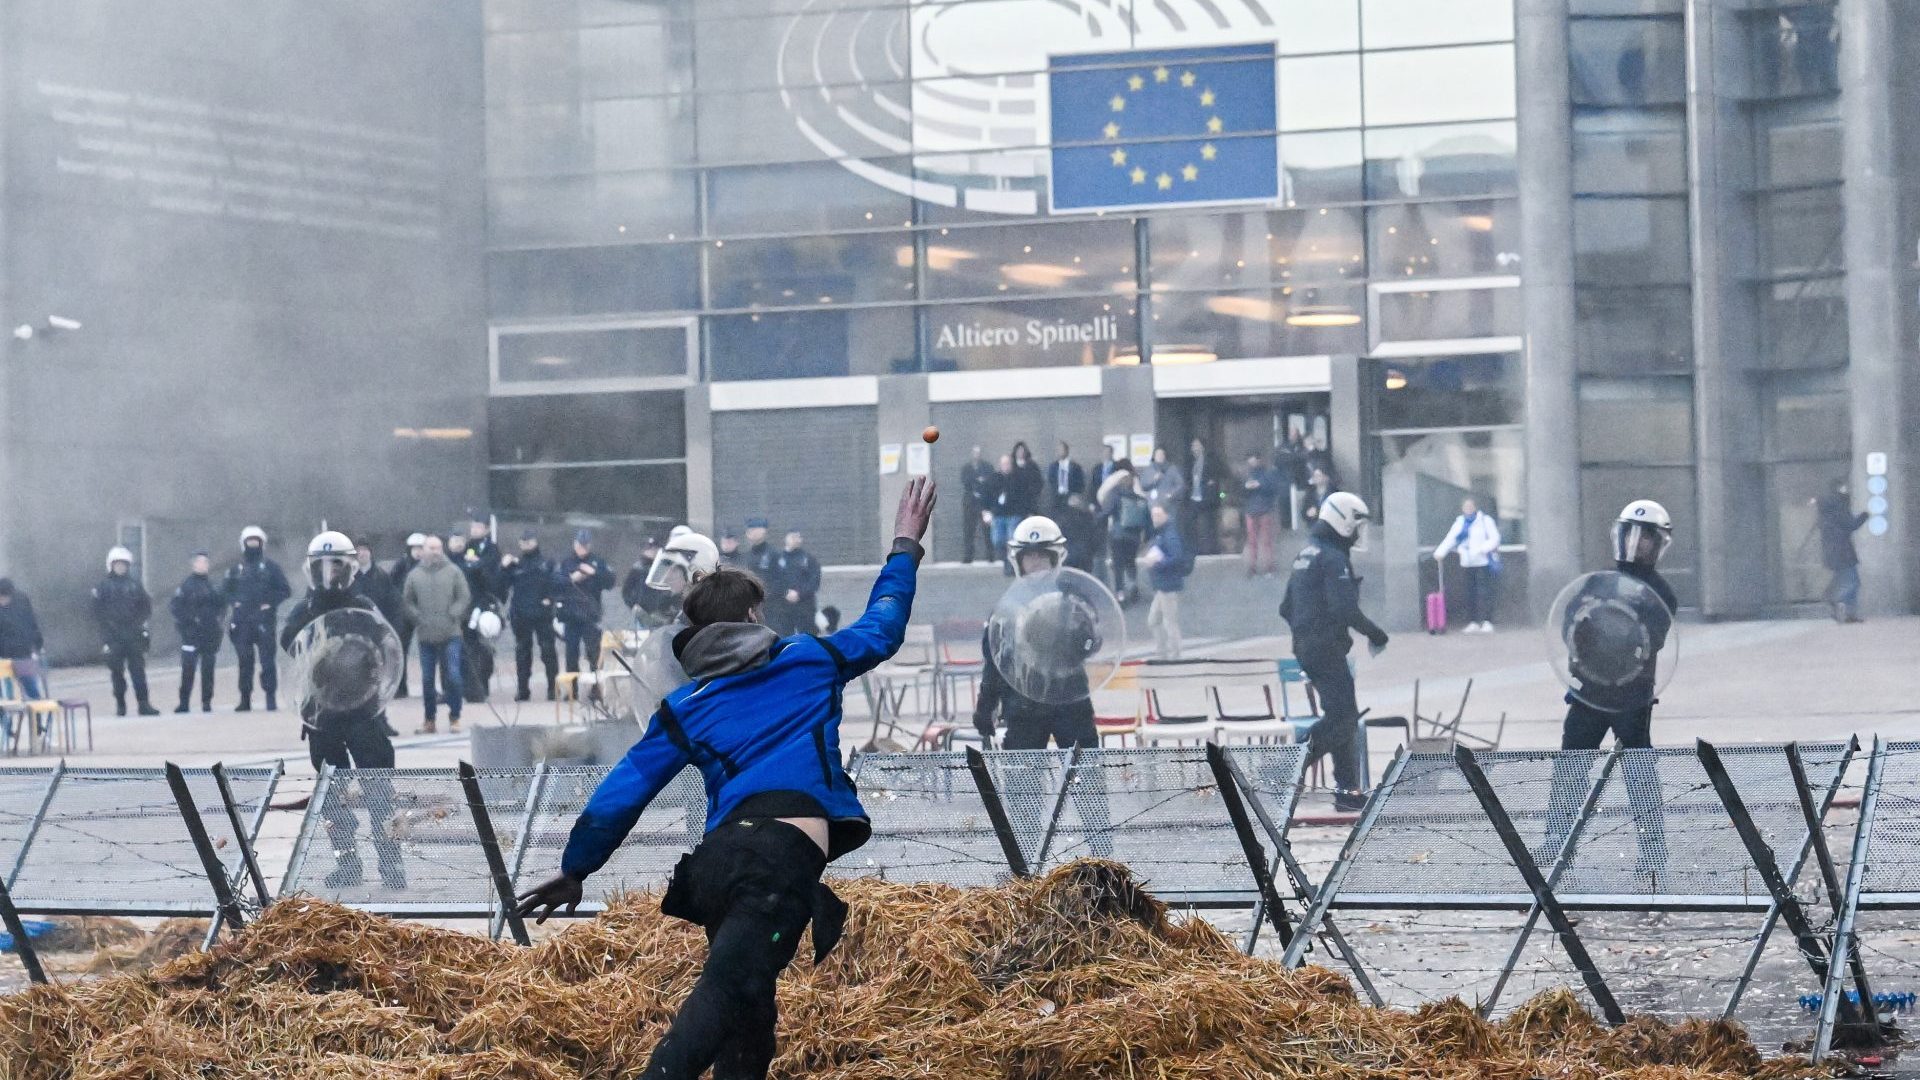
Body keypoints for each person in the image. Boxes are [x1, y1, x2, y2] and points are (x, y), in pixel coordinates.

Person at [516, 478, 939, 1080]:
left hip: (717, 864)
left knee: (749, 1020)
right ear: (750, 616)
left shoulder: (685, 707)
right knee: (723, 996)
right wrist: (905, 544)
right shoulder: (810, 659)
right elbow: (884, 625)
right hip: (778, 860)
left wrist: (576, 866)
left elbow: (623, 792)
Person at [1542, 500, 1678, 872]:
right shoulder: (1597, 581)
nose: (1637, 544)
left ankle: (1652, 852)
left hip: (1631, 698)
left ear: (1658, 543)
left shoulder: (1661, 594)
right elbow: (1572, 625)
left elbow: (1652, 639)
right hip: (1588, 692)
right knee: (1570, 770)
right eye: (1630, 535)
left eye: (1645, 538)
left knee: (1639, 775)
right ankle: (1556, 845)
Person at [972, 515, 1113, 857]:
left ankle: (1105, 862)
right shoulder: (1004, 608)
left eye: (1042, 556)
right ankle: (1024, 870)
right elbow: (995, 662)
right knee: (1022, 793)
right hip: (1022, 707)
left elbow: (1093, 642)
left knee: (1088, 785)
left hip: (1071, 704)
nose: (1035, 563)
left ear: (1056, 558)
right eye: (1029, 556)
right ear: (1018, 560)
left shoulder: (1075, 599)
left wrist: (1074, 630)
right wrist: (985, 706)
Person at [280, 530, 405, 890]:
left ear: (350, 568)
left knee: (380, 792)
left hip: (364, 714)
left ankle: (391, 864)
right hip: (323, 717)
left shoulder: (364, 607)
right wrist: (311, 615)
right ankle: (347, 861)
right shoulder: (304, 609)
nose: (329, 574)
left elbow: (387, 642)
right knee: (332, 795)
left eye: (336, 566)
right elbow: (288, 643)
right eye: (321, 567)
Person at [1279, 492, 1389, 812]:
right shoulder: (1331, 558)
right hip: (1325, 649)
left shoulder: (1307, 554)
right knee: (1342, 721)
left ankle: (1348, 792)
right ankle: (1286, 770)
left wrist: (1304, 634)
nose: (1357, 534)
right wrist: (1376, 634)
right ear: (1342, 521)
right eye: (1356, 525)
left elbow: (1286, 607)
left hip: (1310, 648)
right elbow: (1345, 609)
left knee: (1342, 716)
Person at [402, 535, 471, 734]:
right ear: (423, 550)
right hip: (426, 637)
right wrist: (418, 617)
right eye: (431, 547)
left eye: (438, 547)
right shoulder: (415, 575)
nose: (435, 551)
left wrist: (454, 614)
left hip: (451, 634)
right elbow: (407, 601)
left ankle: (455, 716)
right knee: (427, 680)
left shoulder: (454, 572)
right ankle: (429, 719)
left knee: (454, 676)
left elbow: (464, 596)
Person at [223, 526, 291, 713]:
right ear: (243, 544)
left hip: (264, 622)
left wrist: (270, 602)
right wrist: (234, 602)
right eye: (249, 541)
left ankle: (270, 697)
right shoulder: (236, 569)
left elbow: (285, 590)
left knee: (267, 661)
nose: (253, 544)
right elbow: (225, 591)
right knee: (245, 661)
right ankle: (245, 698)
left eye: (256, 541)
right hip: (242, 622)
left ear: (262, 543)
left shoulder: (271, 568)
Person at [92, 547, 160, 717]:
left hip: (133, 635)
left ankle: (144, 704)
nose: (121, 567)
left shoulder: (135, 585)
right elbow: (97, 612)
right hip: (114, 636)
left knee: (138, 670)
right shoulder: (103, 587)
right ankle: (120, 704)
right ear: (111, 565)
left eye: (124, 564)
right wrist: (107, 633)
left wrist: (138, 624)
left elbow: (146, 606)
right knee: (117, 672)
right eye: (118, 564)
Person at [501, 529, 560, 702]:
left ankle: (552, 688)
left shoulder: (546, 563)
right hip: (521, 615)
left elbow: (556, 583)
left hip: (542, 615)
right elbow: (501, 584)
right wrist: (503, 567)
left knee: (548, 652)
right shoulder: (515, 565)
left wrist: (551, 599)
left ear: (535, 541)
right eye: (523, 542)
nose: (527, 544)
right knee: (522, 654)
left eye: (530, 541)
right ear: (520, 544)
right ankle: (523, 689)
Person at [1433, 497, 1503, 633]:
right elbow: (1451, 538)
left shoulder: (1485, 521)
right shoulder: (1460, 522)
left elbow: (1495, 538)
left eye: (1470, 506)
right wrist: (1440, 552)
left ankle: (1487, 621)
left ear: (1475, 507)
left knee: (1485, 592)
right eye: (1466, 507)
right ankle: (1473, 621)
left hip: (1483, 562)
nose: (1468, 509)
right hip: (1467, 562)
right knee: (1470, 593)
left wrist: (1482, 549)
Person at [169, 553, 226, 713]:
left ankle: (206, 702)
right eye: (199, 562)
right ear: (193, 565)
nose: (202, 565)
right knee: (188, 670)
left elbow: (222, 606)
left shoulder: (213, 586)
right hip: (191, 636)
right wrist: (186, 626)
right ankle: (184, 702)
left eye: (205, 562)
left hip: (209, 636)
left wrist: (217, 623)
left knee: (208, 670)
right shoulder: (186, 586)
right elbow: (176, 608)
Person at [556, 528, 614, 679]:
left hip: (590, 614)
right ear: (574, 544)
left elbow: (610, 582)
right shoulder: (567, 562)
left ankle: (596, 687)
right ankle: (572, 690)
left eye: (585, 545)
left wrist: (594, 573)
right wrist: (572, 579)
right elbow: (556, 582)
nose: (582, 549)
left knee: (594, 652)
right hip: (571, 614)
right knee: (571, 654)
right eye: (579, 545)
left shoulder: (597, 561)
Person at [1813, 479, 1869, 623]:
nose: (1847, 489)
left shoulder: (1826, 510)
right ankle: (1835, 600)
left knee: (1844, 579)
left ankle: (1848, 613)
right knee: (1853, 581)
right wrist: (1865, 515)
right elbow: (1851, 525)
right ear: (1839, 489)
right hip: (1843, 551)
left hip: (1832, 552)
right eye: (1844, 487)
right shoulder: (1839, 506)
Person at [1141, 504, 1192, 659]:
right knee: (1154, 620)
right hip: (1162, 585)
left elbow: (1176, 557)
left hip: (1168, 585)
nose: (1155, 519)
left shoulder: (1169, 535)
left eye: (1158, 515)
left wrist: (1156, 563)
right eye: (1153, 515)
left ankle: (1175, 653)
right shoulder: (1162, 534)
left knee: (1169, 621)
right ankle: (1162, 651)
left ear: (1166, 516)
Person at [1097, 459, 1150, 604]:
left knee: (1118, 564)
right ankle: (1133, 585)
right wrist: (1145, 538)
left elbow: (1106, 512)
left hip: (1118, 535)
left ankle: (1120, 594)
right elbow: (1147, 519)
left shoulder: (1115, 494)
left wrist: (1095, 520)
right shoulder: (1139, 498)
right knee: (1130, 562)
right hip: (1134, 536)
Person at [763, 530, 822, 638]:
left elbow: (814, 581)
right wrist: (785, 592)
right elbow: (771, 579)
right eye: (792, 536)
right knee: (784, 638)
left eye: (798, 537)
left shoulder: (809, 559)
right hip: (782, 608)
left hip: (805, 608)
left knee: (808, 638)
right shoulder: (776, 558)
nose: (796, 539)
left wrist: (799, 594)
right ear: (785, 538)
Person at [390, 533, 426, 699]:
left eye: (421, 548)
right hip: (404, 613)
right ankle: (400, 687)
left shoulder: (429, 565)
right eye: (415, 548)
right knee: (400, 649)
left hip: (425, 612)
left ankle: (430, 687)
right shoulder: (402, 564)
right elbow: (391, 584)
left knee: (428, 649)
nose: (418, 552)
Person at [0, 581, 45, 698]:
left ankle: (35, 708)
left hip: (19, 652)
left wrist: (37, 643)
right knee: (14, 685)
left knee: (27, 683)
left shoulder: (21, 602)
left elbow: (31, 623)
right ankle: (7, 711)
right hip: (15, 651)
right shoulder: (21, 599)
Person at [1241, 453, 1281, 576]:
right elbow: (1240, 492)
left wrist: (1259, 485)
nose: (1252, 464)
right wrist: (1246, 488)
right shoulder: (1247, 475)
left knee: (1265, 541)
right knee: (1253, 540)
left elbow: (1273, 489)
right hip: (1253, 510)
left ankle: (1267, 566)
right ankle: (1253, 566)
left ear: (1259, 461)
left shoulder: (1268, 474)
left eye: (1254, 462)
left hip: (1263, 509)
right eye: (1250, 462)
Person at [960, 446, 996, 564]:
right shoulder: (966, 468)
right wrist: (977, 479)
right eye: (974, 452)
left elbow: (990, 480)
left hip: (985, 502)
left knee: (987, 528)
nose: (976, 455)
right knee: (969, 530)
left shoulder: (987, 466)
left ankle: (991, 555)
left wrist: (981, 481)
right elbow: (965, 481)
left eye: (978, 452)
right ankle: (968, 556)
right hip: (970, 503)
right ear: (971, 454)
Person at [985, 454, 1020, 575]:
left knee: (1011, 541)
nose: (1006, 466)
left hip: (1013, 514)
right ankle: (1005, 560)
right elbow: (988, 495)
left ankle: (1010, 566)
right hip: (998, 514)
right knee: (998, 540)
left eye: (1008, 464)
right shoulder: (994, 478)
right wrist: (986, 510)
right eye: (1003, 464)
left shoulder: (1016, 478)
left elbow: (1022, 496)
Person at [1187, 437, 1219, 555]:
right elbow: (1189, 479)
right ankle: (1196, 549)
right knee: (1193, 525)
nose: (1194, 448)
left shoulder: (1209, 460)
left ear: (1202, 447)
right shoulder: (1191, 462)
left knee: (1208, 524)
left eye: (1196, 445)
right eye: (1193, 446)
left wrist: (1212, 484)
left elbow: (1215, 476)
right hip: (1194, 497)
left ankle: (1210, 549)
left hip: (1206, 497)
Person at [1056, 493, 1101, 575]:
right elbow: (1095, 539)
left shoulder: (1063, 519)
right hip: (1085, 556)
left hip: (1068, 556)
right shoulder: (1089, 519)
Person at [1045, 441, 1085, 516]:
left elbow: (1080, 483)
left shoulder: (1075, 467)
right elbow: (1051, 480)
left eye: (1062, 450)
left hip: (1071, 497)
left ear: (1067, 451)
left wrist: (1076, 495)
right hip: (1057, 498)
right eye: (1058, 450)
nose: (1060, 452)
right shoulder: (1053, 467)